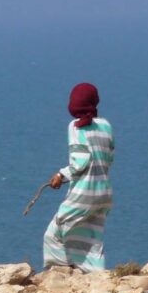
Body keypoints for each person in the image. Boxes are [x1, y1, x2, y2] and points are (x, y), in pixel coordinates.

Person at [43, 82, 114, 272]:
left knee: (55, 232)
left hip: (84, 192)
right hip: (104, 193)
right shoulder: (106, 126)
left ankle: (61, 273)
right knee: (93, 237)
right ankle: (95, 274)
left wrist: (61, 175)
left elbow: (80, 162)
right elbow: (109, 157)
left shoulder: (75, 127)